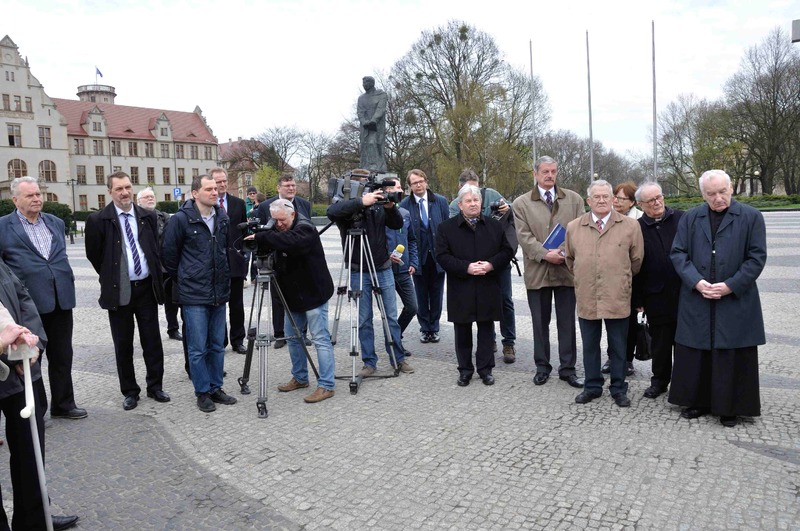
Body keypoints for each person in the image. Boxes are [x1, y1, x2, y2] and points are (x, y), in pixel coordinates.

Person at [669, 170, 766, 428]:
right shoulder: (691, 218)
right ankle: (697, 401)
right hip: (698, 295)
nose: (718, 198)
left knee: (730, 352)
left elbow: (756, 258)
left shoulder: (751, 217)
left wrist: (730, 286)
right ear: (703, 194)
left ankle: (730, 407)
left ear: (731, 188)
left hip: (734, 297)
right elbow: (678, 254)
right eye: (711, 194)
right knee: (697, 350)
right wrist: (696, 282)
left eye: (722, 192)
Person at [0, 177, 87, 420]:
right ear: (15, 200)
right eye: (30, 195)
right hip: (27, 306)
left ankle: (64, 404)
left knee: (62, 355)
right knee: (29, 357)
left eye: (39, 194)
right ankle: (37, 410)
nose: (37, 199)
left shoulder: (55, 223)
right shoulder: (3, 227)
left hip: (60, 299)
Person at [0, 267, 79, 531]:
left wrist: (30, 341)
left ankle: (34, 518)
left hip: (18, 364)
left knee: (30, 448)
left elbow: (22, 297)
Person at [85, 172, 170, 411]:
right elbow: (95, 255)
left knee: (152, 341)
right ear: (109, 192)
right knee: (123, 344)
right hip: (119, 291)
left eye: (128, 187)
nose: (124, 192)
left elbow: (154, 248)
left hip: (146, 289)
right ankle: (130, 391)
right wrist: (113, 276)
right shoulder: (99, 220)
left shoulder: (147, 216)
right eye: (119, 188)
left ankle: (155, 386)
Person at [248, 199, 336, 403]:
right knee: (293, 338)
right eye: (275, 220)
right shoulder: (278, 232)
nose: (278, 224)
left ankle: (327, 385)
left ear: (293, 214)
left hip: (314, 294)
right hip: (292, 296)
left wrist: (262, 236)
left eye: (282, 220)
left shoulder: (306, 228)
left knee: (320, 339)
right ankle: (300, 377)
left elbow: (291, 242)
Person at [162, 174, 237, 413]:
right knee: (197, 347)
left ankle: (216, 387)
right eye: (209, 189)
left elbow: (225, 249)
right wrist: (187, 276)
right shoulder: (181, 220)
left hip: (218, 290)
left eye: (215, 189)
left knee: (217, 344)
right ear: (195, 193)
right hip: (193, 293)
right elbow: (169, 257)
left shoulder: (222, 217)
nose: (215, 192)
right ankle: (202, 391)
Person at [565, 179, 643, 407]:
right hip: (588, 295)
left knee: (618, 346)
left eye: (606, 196)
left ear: (613, 200)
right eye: (596, 197)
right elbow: (570, 260)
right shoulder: (574, 227)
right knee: (589, 345)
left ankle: (619, 388)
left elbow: (636, 261)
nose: (601, 200)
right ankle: (592, 386)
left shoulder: (630, 226)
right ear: (588, 201)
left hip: (616, 295)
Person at [327, 177, 414, 376]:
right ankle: (369, 362)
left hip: (382, 268)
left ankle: (398, 358)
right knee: (364, 319)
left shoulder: (380, 206)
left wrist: (390, 207)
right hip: (359, 270)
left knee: (390, 317)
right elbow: (331, 213)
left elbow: (396, 224)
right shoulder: (349, 207)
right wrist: (361, 203)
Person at [513, 156, 584, 389]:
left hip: (566, 270)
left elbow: (580, 231)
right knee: (539, 322)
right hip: (538, 271)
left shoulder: (573, 199)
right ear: (535, 173)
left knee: (567, 322)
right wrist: (545, 253)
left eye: (553, 171)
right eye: (545, 171)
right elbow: (523, 237)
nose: (550, 175)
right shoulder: (521, 203)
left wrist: (562, 252)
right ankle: (542, 366)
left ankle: (568, 368)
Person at [436, 185, 514, 387]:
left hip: (487, 284)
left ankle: (486, 369)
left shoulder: (494, 226)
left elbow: (507, 252)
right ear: (460, 204)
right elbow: (442, 256)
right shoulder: (446, 228)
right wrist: (466, 268)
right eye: (468, 201)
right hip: (461, 285)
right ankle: (465, 370)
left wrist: (490, 265)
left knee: (486, 329)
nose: (473, 204)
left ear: (481, 203)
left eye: (476, 200)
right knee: (462, 331)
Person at [449, 168, 517, 363]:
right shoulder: (454, 205)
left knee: (505, 300)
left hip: (498, 261)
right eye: (468, 193)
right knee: (480, 305)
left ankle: (509, 342)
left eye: (476, 192)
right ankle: (490, 341)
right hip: (471, 263)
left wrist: (507, 208)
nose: (473, 197)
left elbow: (511, 209)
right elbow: (454, 231)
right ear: (460, 189)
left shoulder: (492, 194)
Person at [633, 182, 683, 399]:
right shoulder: (636, 227)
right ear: (641, 204)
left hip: (684, 292)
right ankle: (659, 381)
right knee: (661, 343)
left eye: (659, 197)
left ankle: (684, 383)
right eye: (651, 200)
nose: (657, 202)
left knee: (684, 342)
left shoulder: (682, 218)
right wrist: (638, 299)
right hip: (655, 295)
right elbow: (634, 265)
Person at [256, 175, 313, 348]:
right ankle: (280, 334)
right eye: (287, 185)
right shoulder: (265, 206)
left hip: (299, 258)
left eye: (293, 185)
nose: (291, 188)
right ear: (278, 187)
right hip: (276, 257)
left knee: (302, 294)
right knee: (278, 297)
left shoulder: (304, 205)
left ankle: (301, 333)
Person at [398, 169, 449, 344]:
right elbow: (403, 234)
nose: (418, 185)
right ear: (410, 186)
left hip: (437, 256)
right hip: (417, 257)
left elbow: (447, 229)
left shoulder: (440, 202)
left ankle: (434, 328)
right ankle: (424, 327)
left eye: (421, 181)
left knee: (436, 293)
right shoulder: (405, 205)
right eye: (414, 183)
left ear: (426, 181)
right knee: (420, 294)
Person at [600, 181, 644, 376]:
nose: (616, 201)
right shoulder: (607, 219)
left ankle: (627, 359)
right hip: (611, 281)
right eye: (615, 197)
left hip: (634, 279)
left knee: (630, 322)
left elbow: (639, 257)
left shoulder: (639, 222)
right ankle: (612, 356)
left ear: (632, 202)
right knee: (611, 319)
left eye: (621, 198)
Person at [137, 187, 182, 341]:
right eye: (146, 197)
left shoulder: (163, 217)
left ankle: (173, 328)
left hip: (164, 266)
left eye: (152, 196)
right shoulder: (135, 218)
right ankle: (150, 332)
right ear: (138, 202)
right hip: (145, 268)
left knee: (171, 300)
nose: (150, 199)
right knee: (147, 302)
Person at [212, 168, 248, 355]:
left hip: (235, 262)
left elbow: (243, 234)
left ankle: (237, 340)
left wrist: (244, 259)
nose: (222, 185)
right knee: (218, 305)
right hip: (215, 264)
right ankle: (220, 340)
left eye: (224, 181)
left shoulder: (238, 204)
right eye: (218, 182)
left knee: (236, 304)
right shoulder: (207, 204)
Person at [385, 181, 418, 354]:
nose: (400, 190)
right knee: (389, 312)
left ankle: (395, 337)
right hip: (386, 270)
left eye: (400, 187)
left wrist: (413, 262)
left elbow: (411, 240)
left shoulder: (405, 213)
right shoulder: (379, 213)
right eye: (396, 188)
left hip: (404, 271)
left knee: (412, 307)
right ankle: (394, 345)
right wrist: (386, 255)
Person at [357, 75, 388, 172]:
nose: (363, 85)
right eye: (363, 83)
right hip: (365, 126)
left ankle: (377, 166)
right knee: (365, 145)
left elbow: (381, 109)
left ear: (371, 83)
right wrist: (364, 121)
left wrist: (374, 120)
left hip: (377, 125)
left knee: (375, 143)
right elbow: (360, 111)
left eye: (365, 83)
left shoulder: (381, 95)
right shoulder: (361, 98)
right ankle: (365, 166)